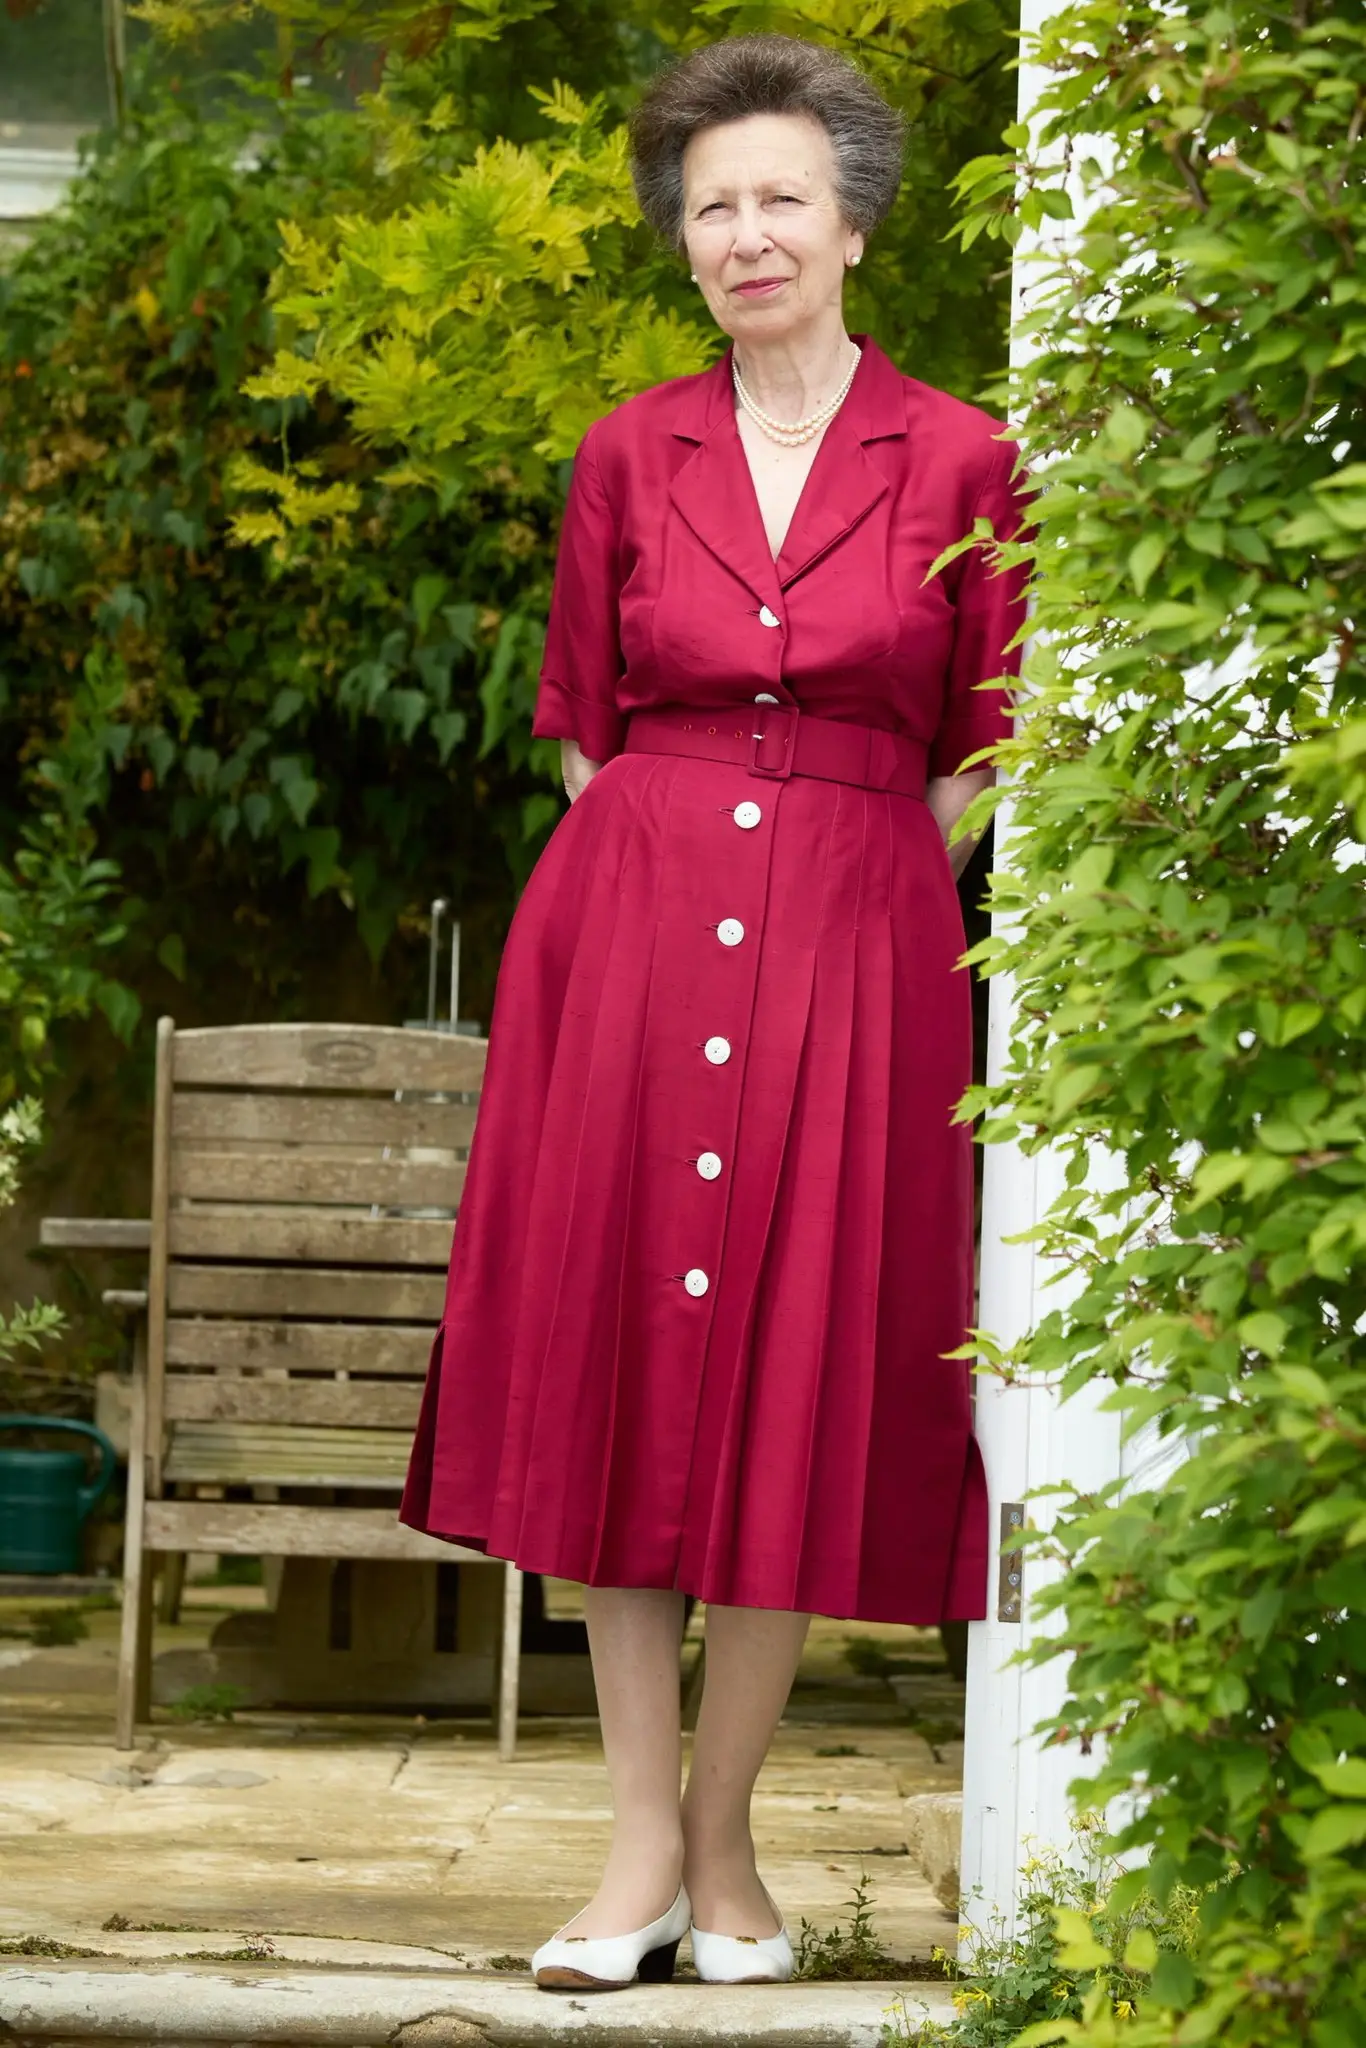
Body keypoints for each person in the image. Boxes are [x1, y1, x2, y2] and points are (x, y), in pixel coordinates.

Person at [401, 30, 1030, 1993]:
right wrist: (680, 887)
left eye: (775, 198)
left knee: (789, 1382)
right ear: (682, 243)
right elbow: (586, 736)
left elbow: (981, 748)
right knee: (621, 1377)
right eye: (707, 208)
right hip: (635, 929)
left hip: (858, 947)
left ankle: (734, 1856)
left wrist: (853, 897)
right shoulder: (623, 451)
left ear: (850, 221)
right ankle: (636, 1855)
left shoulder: (960, 457)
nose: (740, 234)